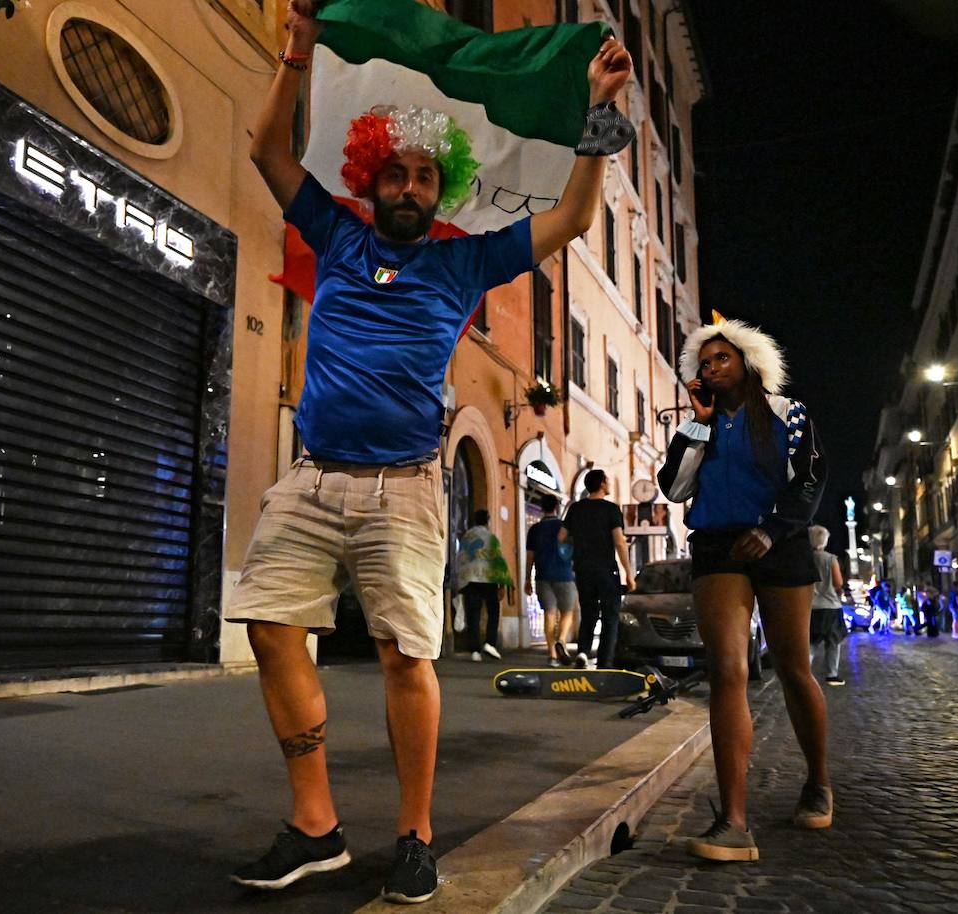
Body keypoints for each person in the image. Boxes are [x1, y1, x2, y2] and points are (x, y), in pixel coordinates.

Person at [224, 1, 634, 902]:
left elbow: (567, 220)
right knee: (268, 627)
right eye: (394, 174)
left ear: (437, 188)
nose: (407, 188)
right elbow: (267, 154)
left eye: (422, 177)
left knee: (409, 659)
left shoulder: (462, 263)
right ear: (369, 178)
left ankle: (414, 833)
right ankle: (315, 823)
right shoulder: (335, 234)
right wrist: (296, 54)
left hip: (406, 489)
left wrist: (599, 117)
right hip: (311, 477)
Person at [657, 319, 830, 863]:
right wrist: (699, 427)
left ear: (748, 361)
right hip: (716, 547)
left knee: (793, 667)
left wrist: (774, 528)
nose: (710, 368)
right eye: (703, 363)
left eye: (720, 359)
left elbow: (810, 477)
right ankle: (734, 820)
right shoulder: (700, 425)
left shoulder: (788, 412)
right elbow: (676, 487)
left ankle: (818, 781)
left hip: (779, 542)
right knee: (727, 669)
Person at [559, 469, 636, 669]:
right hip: (606, 569)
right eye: (608, 481)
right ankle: (605, 663)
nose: (609, 484)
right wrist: (628, 573)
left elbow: (561, 537)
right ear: (602, 484)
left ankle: (583, 653)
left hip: (582, 568)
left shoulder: (575, 509)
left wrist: (580, 542)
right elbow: (619, 542)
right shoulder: (611, 509)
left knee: (589, 612)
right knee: (610, 616)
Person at [524, 493, 578, 666]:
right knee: (568, 612)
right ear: (556, 507)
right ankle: (561, 640)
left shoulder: (534, 530)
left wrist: (527, 579)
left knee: (549, 614)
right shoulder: (564, 526)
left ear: (541, 508)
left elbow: (530, 557)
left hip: (542, 576)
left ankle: (553, 655)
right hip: (565, 575)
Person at [457, 510, 513, 661]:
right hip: (489, 579)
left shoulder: (467, 537)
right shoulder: (491, 537)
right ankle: (490, 643)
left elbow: (461, 558)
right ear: (488, 521)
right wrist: (502, 584)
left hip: (470, 580)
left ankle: (474, 651)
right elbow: (498, 560)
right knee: (493, 611)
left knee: (472, 615)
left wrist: (459, 580)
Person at [806, 526, 846, 686]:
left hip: (811, 607)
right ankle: (832, 674)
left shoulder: (805, 558)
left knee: (811, 643)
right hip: (831, 606)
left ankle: (805, 673)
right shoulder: (830, 559)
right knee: (833, 642)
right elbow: (838, 583)